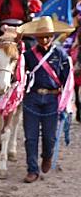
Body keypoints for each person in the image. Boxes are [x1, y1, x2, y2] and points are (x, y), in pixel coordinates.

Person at [19, 17, 73, 183]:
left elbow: (67, 80)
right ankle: (32, 170)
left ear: (53, 36)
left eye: (48, 36)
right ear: (36, 37)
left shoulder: (60, 54)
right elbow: (20, 76)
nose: (44, 39)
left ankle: (47, 156)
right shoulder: (27, 55)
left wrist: (67, 103)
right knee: (31, 137)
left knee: (50, 137)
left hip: (52, 98)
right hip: (32, 97)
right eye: (41, 36)